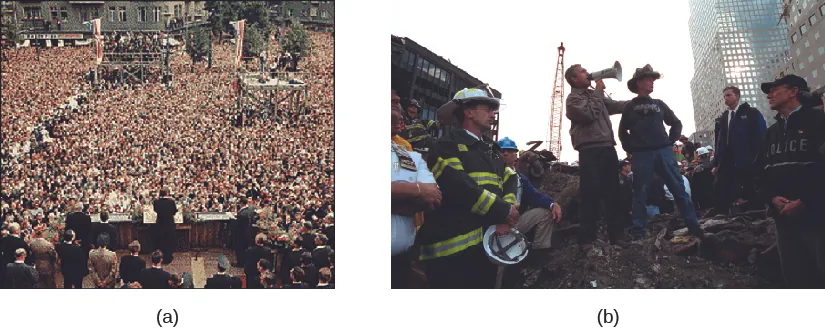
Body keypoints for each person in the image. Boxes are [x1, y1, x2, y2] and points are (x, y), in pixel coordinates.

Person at [418, 86, 518, 289]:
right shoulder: (446, 146)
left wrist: (507, 214)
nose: (492, 115)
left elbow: (510, 177)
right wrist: (504, 211)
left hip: (486, 248)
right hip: (451, 255)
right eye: (487, 109)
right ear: (468, 112)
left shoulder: (490, 150)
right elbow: (459, 188)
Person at [617, 64, 704, 240]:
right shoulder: (629, 107)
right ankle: (638, 230)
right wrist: (631, 149)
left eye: (653, 80)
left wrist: (669, 141)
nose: (652, 83)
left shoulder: (659, 104)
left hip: (663, 152)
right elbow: (622, 132)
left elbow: (676, 123)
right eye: (649, 79)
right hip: (642, 155)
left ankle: (694, 226)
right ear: (639, 82)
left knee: (679, 189)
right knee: (640, 192)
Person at [754, 74, 825, 288]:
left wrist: (806, 201)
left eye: (775, 89)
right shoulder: (771, 134)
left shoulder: (819, 122)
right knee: (796, 280)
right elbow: (758, 173)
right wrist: (772, 198)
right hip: (784, 223)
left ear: (793, 92)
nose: (769, 94)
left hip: (817, 219)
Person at [564, 64, 631, 251]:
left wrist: (635, 103)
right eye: (583, 71)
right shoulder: (573, 99)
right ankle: (586, 239)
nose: (588, 73)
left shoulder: (594, 95)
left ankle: (616, 236)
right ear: (575, 79)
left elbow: (614, 105)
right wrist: (599, 93)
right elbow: (588, 114)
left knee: (613, 194)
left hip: (607, 147)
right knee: (590, 194)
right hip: (589, 151)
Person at [391, 101, 440, 288]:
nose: (401, 118)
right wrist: (416, 191)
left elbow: (430, 195)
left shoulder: (404, 147)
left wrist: (408, 197)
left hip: (403, 252)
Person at [499, 138, 563, 262]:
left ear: (515, 155)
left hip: (514, 223)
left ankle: (538, 255)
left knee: (544, 214)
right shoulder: (491, 175)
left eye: (509, 151)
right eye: (502, 151)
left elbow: (534, 196)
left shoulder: (520, 178)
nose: (505, 153)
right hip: (494, 226)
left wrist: (552, 204)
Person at [709, 86, 767, 217]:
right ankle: (722, 217)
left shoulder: (751, 113)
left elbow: (761, 135)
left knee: (750, 188)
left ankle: (757, 217)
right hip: (726, 160)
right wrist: (716, 163)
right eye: (724, 96)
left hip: (747, 158)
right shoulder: (723, 118)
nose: (725, 98)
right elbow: (719, 142)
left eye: (729, 95)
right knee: (720, 187)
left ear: (737, 96)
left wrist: (758, 157)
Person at [0, 223, 31, 288]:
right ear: (16, 231)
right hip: (17, 269)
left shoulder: (2, 240)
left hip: (4, 267)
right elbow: (28, 255)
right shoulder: (21, 242)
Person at [152, 188, 177, 264]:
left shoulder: (156, 202)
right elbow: (174, 211)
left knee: (161, 241)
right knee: (168, 241)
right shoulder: (171, 201)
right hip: (169, 224)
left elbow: (155, 210)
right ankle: (168, 258)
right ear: (167, 193)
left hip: (160, 224)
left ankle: (159, 257)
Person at [233, 196, 257, 267]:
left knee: (240, 249)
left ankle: (240, 263)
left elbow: (238, 225)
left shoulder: (242, 214)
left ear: (241, 203)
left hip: (241, 234)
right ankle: (243, 262)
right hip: (248, 233)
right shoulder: (250, 210)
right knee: (245, 249)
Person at [618, 160, 634, 228]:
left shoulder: (628, 178)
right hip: (623, 209)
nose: (630, 166)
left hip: (628, 206)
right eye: (628, 165)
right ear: (623, 167)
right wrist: (629, 209)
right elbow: (624, 195)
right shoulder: (620, 179)